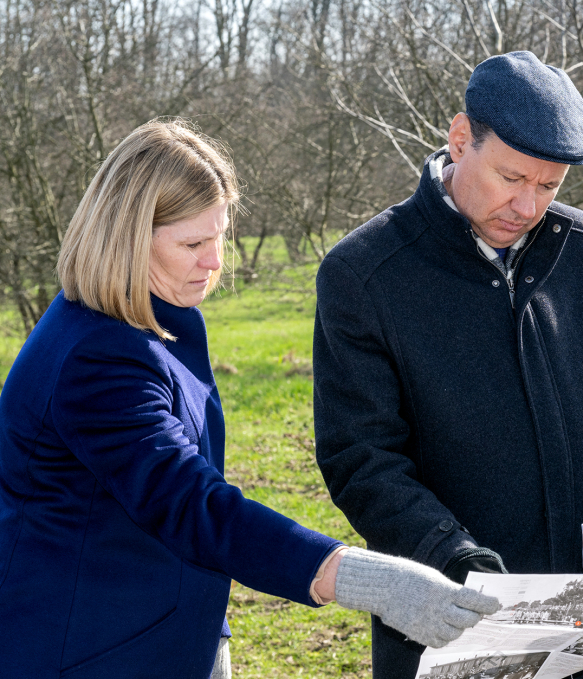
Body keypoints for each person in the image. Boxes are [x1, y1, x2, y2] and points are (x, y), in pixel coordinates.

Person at [0, 119, 499, 679]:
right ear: (128, 237)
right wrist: (373, 582)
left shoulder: (159, 320)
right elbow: (192, 504)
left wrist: (211, 638)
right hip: (89, 649)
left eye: (219, 237)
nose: (215, 261)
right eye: (193, 243)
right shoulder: (95, 358)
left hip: (166, 637)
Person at [313, 51, 583, 679]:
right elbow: (361, 460)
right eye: (511, 177)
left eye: (549, 186)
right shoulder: (364, 274)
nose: (529, 204)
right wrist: (457, 561)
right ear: (461, 140)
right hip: (451, 628)